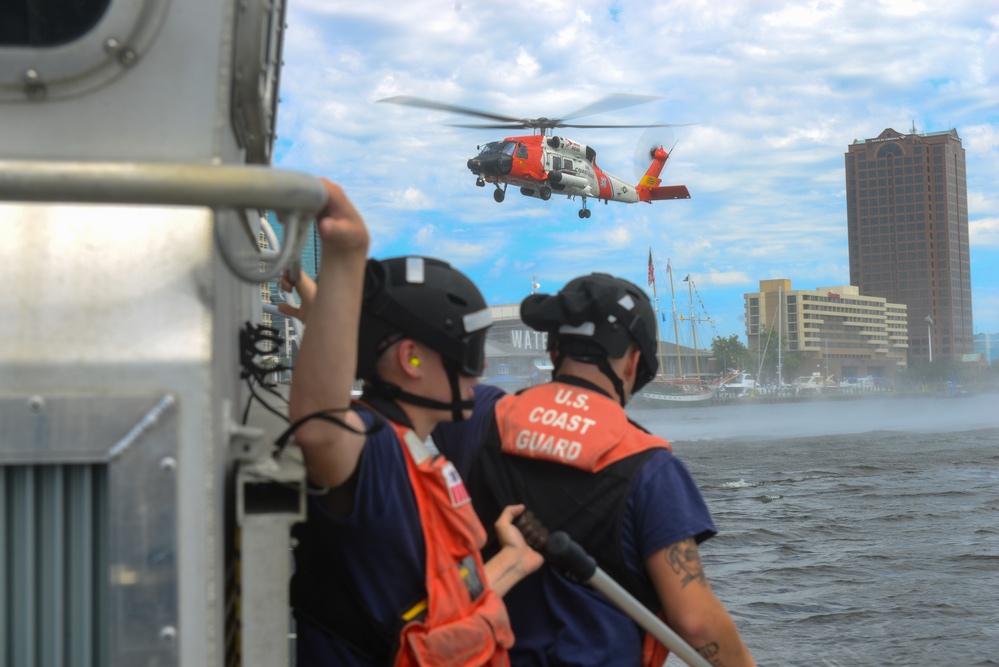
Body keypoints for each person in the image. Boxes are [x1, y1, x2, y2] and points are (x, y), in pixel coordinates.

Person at [435, 273, 757, 667]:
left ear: (553, 351)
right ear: (635, 362)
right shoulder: (651, 468)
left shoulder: (478, 416)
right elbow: (696, 623)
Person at [286, 179, 543, 667]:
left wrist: (512, 559)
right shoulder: (374, 448)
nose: (481, 370)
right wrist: (347, 253)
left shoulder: (422, 449)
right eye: (468, 353)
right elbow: (318, 425)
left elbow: (430, 604)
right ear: (412, 360)